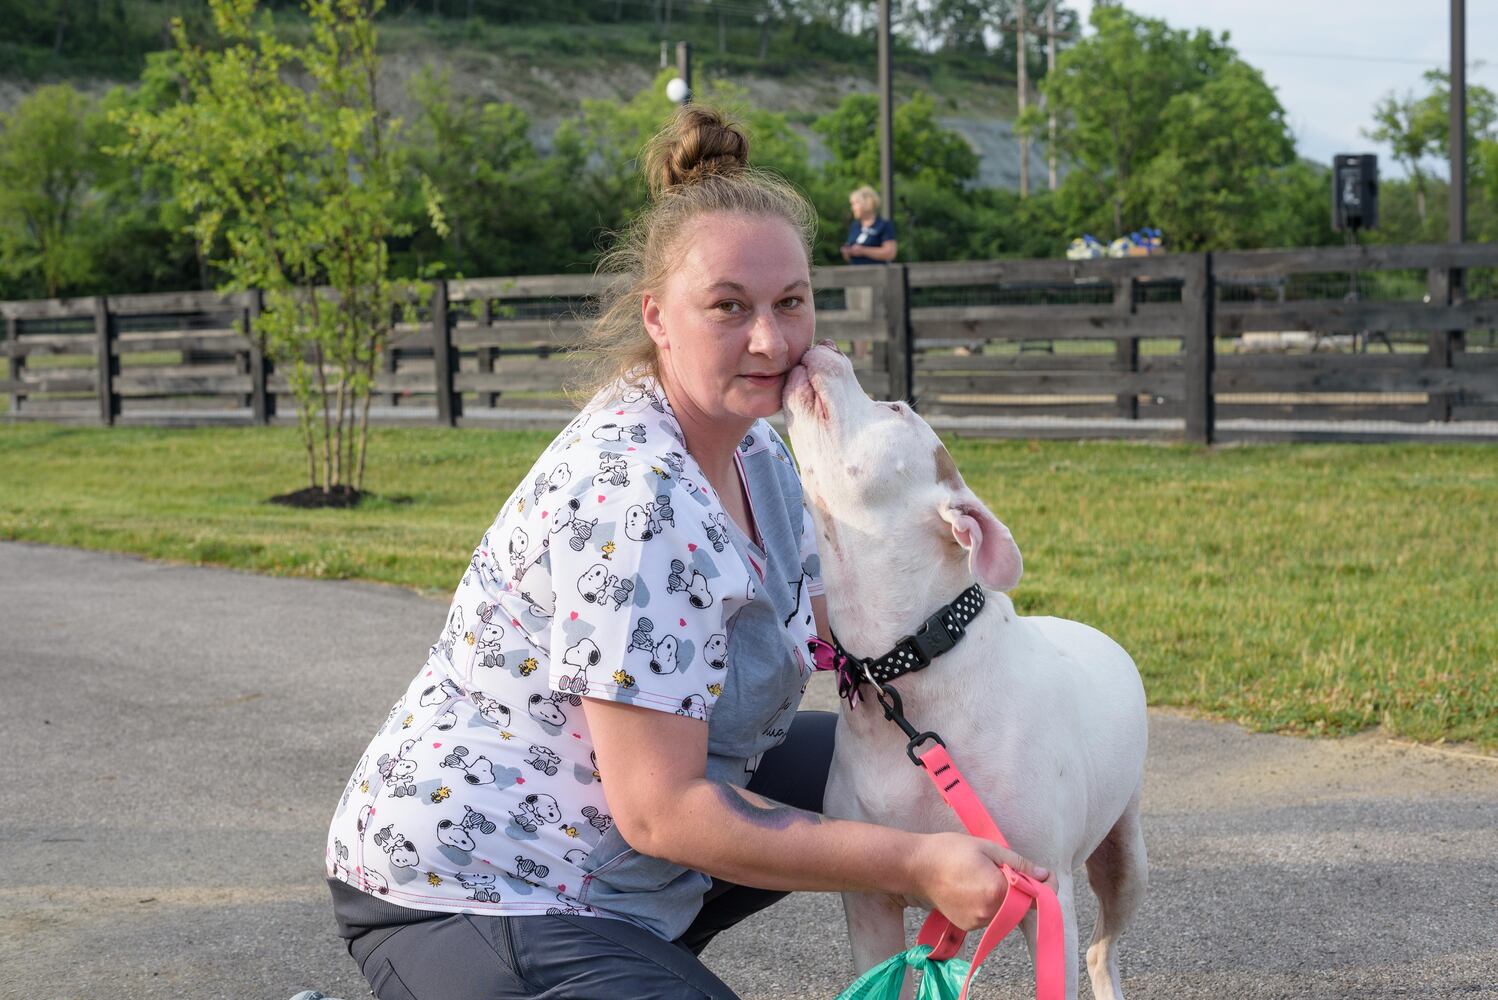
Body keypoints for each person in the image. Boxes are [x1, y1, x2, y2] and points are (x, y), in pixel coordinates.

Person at [322, 105, 1045, 1000]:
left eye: (791, 303)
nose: (772, 342)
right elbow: (663, 812)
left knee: (890, 772)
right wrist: (915, 859)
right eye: (729, 308)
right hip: (484, 887)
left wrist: (986, 675)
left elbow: (838, 625)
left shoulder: (755, 450)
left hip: (611, 846)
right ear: (658, 317)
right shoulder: (637, 500)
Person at [840, 185, 898, 265]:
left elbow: (890, 253)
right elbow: (848, 258)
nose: (853, 208)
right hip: (855, 274)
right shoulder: (854, 226)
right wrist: (847, 252)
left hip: (878, 274)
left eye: (855, 203)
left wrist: (863, 251)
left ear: (867, 203)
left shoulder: (883, 225)